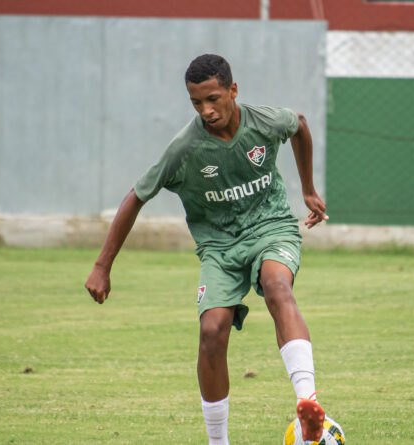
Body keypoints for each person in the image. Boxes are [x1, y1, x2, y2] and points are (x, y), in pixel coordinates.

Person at [85, 54, 330, 444]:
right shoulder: (185, 148)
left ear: (233, 90)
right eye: (197, 103)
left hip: (271, 227)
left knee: (277, 285)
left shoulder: (264, 122)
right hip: (219, 247)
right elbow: (136, 196)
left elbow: (299, 124)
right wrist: (102, 265)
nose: (207, 110)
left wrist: (308, 190)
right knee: (212, 331)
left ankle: (309, 407)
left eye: (214, 99)